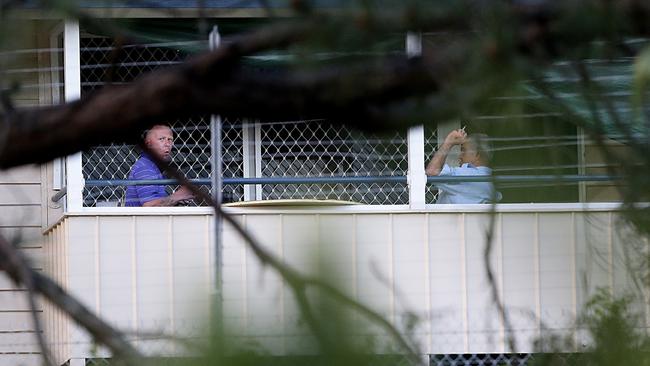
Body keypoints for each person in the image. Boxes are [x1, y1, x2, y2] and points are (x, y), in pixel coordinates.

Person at [125, 124, 194, 206]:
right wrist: (177, 196)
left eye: (170, 140)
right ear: (148, 144)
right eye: (161, 139)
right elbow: (149, 206)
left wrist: (177, 200)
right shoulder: (145, 167)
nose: (167, 144)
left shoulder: (153, 166)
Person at [425, 129, 500, 204]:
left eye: (463, 151)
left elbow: (432, 171)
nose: (460, 156)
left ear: (477, 155)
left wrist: (448, 142)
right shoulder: (487, 180)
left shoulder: (472, 176)